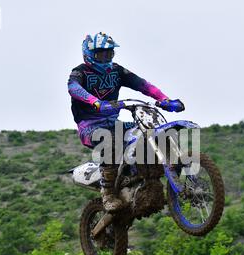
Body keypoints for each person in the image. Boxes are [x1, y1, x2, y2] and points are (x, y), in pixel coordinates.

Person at [67, 32, 184, 211]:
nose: (106, 57)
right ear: (89, 54)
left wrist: (164, 100)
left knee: (146, 132)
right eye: (101, 54)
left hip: (114, 123)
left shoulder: (117, 70)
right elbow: (73, 88)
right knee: (109, 141)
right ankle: (108, 194)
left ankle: (142, 174)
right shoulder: (80, 72)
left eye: (109, 53)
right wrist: (96, 102)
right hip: (89, 126)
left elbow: (143, 85)